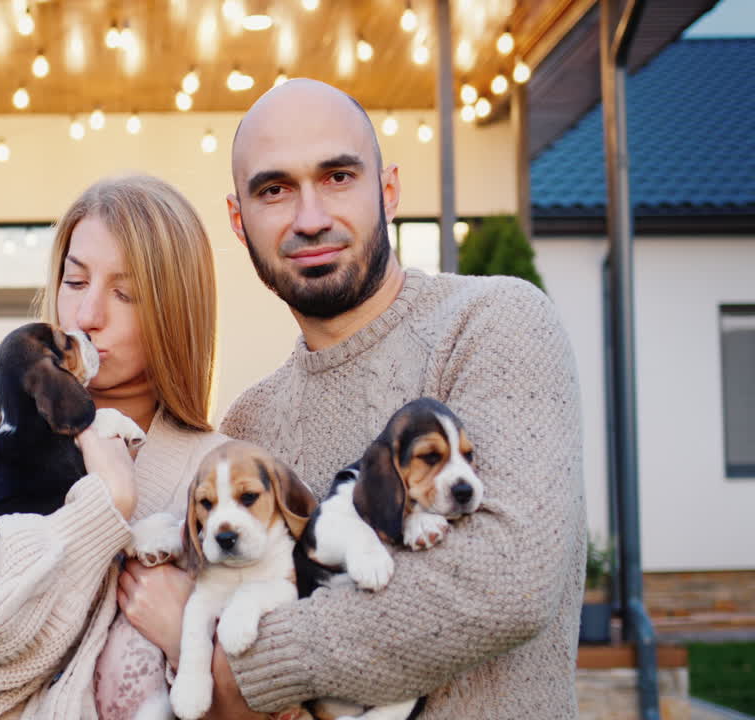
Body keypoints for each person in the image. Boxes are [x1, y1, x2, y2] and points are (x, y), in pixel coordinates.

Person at [117, 79, 585, 719]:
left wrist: (230, 649)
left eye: (338, 177)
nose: (310, 218)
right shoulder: (249, 425)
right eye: (274, 189)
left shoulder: (493, 324)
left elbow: (505, 582)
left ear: (388, 191)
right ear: (238, 220)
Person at [0, 174, 229, 719]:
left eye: (126, 293)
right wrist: (104, 509)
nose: (87, 316)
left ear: (176, 312)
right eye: (75, 282)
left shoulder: (213, 471)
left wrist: (181, 638)